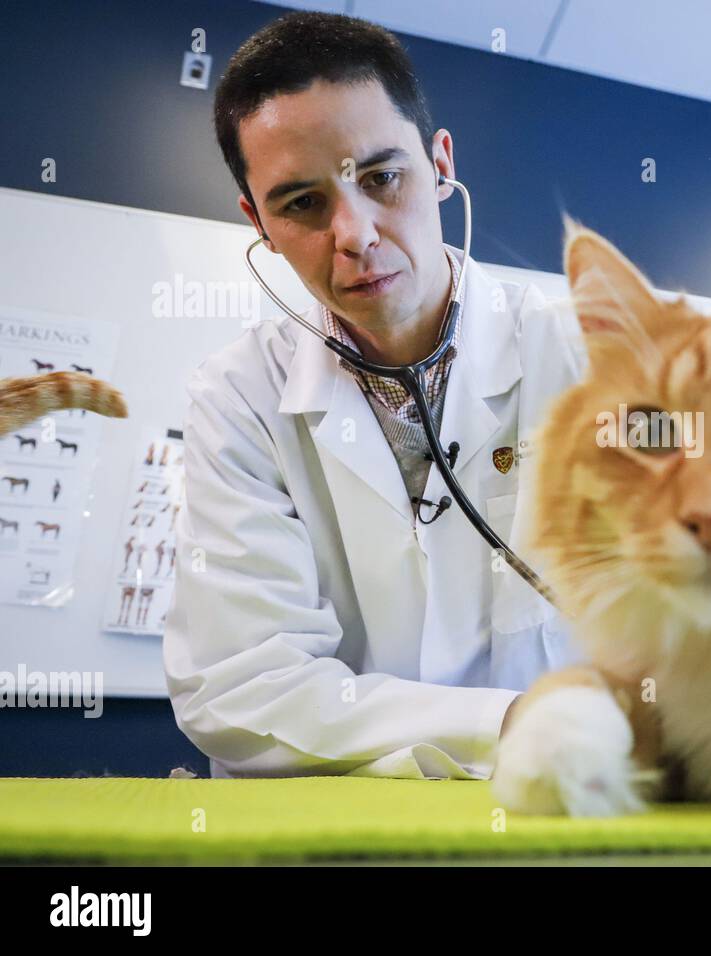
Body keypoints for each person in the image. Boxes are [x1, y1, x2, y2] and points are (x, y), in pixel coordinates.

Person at [163, 11, 587, 779]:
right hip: (335, 827)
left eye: (382, 177)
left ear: (440, 162)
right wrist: (513, 721)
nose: (354, 233)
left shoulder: (587, 357)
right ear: (256, 220)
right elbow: (241, 684)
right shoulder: (238, 400)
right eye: (302, 203)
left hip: (558, 808)